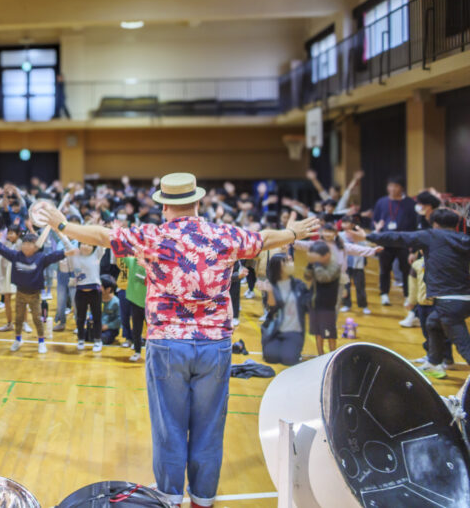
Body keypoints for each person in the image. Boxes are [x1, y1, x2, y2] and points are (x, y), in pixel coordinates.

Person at [37, 172, 319, 508]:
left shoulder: (154, 236)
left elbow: (102, 235)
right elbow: (264, 239)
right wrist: (293, 232)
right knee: (210, 426)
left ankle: (169, 496)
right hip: (215, 345)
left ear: (166, 206)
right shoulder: (224, 234)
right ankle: (202, 497)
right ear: (197, 202)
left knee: (169, 426)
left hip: (168, 343)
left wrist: (63, 225)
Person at [351, 208, 470, 379]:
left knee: (463, 344)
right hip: (465, 299)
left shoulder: (432, 235)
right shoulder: (464, 239)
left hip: (448, 301)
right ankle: (434, 363)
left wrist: (367, 236)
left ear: (435, 224)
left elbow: (398, 237)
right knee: (432, 322)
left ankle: (436, 362)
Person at [0, 230, 75, 354]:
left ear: (36, 247)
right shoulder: (16, 256)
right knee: (18, 319)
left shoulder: (40, 258)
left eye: (30, 244)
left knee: (37, 319)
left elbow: (53, 256)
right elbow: (3, 250)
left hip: (35, 295)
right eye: (24, 243)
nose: (26, 246)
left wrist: (66, 253)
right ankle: (18, 339)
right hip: (20, 293)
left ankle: (41, 341)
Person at [258, 254, 311, 366]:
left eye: (291, 260)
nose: (291, 264)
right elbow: (271, 307)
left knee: (289, 359)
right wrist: (270, 291)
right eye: (286, 261)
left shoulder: (298, 285)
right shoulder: (271, 285)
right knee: (270, 357)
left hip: (294, 331)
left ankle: (293, 348)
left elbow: (308, 305)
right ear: (278, 266)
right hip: (276, 330)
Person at [371, 175, 416, 305]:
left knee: (406, 270)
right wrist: (376, 228)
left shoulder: (410, 203)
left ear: (402, 187)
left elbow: (414, 224)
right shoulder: (381, 202)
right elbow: (375, 219)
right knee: (384, 269)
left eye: (395, 186)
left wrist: (413, 245)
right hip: (386, 242)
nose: (392, 188)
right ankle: (384, 294)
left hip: (403, 242)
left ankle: (408, 296)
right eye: (390, 185)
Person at [304, 241, 344, 356]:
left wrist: (315, 264)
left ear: (327, 255)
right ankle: (320, 355)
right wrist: (309, 265)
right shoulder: (316, 264)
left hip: (327, 306)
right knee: (318, 332)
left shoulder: (334, 266)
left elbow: (323, 278)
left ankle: (332, 355)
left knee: (329, 333)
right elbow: (307, 276)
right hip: (315, 303)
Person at [100, 277, 121, 345]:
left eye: (101, 286)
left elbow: (119, 319)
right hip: (98, 327)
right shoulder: (97, 299)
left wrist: (107, 326)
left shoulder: (116, 302)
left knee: (105, 338)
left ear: (108, 289)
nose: (98, 288)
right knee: (83, 334)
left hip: (110, 328)